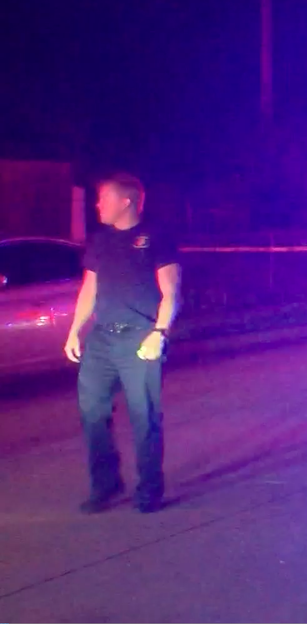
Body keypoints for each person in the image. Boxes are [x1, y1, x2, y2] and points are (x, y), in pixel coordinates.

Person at [64, 172, 182, 514]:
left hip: (139, 338)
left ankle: (149, 490)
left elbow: (171, 291)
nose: (97, 204)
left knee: (144, 415)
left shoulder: (156, 237)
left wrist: (159, 334)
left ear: (126, 201)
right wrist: (75, 329)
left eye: (104, 198)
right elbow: (89, 288)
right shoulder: (100, 241)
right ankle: (107, 484)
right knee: (92, 413)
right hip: (102, 339)